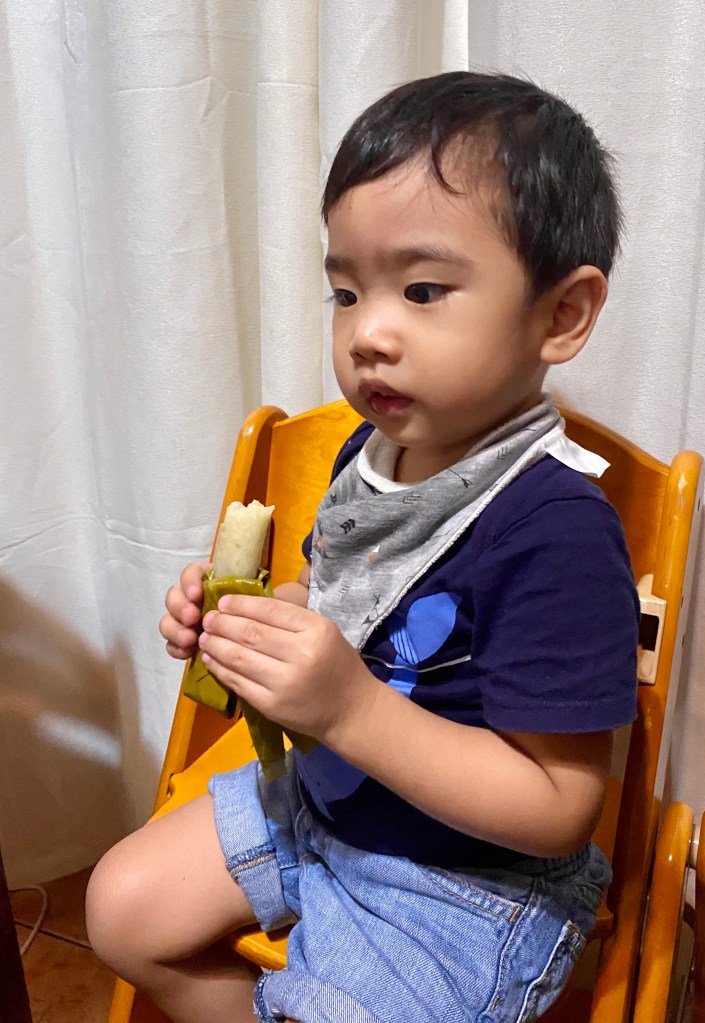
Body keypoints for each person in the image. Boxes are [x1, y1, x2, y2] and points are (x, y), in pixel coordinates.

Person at [86, 71, 640, 1023]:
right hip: (324, 804)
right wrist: (253, 617)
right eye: (346, 290)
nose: (368, 332)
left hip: (466, 884)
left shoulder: (554, 528)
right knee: (119, 909)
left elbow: (557, 809)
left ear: (560, 314)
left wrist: (345, 707)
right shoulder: (376, 453)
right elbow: (348, 596)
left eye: (421, 289)